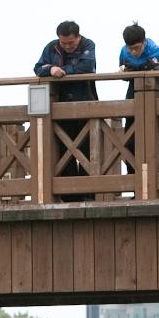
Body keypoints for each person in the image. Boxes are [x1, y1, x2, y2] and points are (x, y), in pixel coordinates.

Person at [34, 21, 98, 198]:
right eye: (64, 43)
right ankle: (69, 194)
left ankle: (88, 193)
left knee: (87, 149)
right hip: (59, 107)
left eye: (71, 43)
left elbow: (85, 67)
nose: (67, 46)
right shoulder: (51, 48)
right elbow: (38, 68)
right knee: (65, 150)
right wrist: (51, 69)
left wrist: (61, 71)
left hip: (86, 104)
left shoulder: (88, 44)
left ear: (78, 37)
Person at [118, 22, 159, 99]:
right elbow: (122, 70)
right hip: (132, 94)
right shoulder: (124, 52)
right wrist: (123, 73)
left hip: (155, 92)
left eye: (137, 48)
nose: (133, 52)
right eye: (130, 48)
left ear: (144, 41)